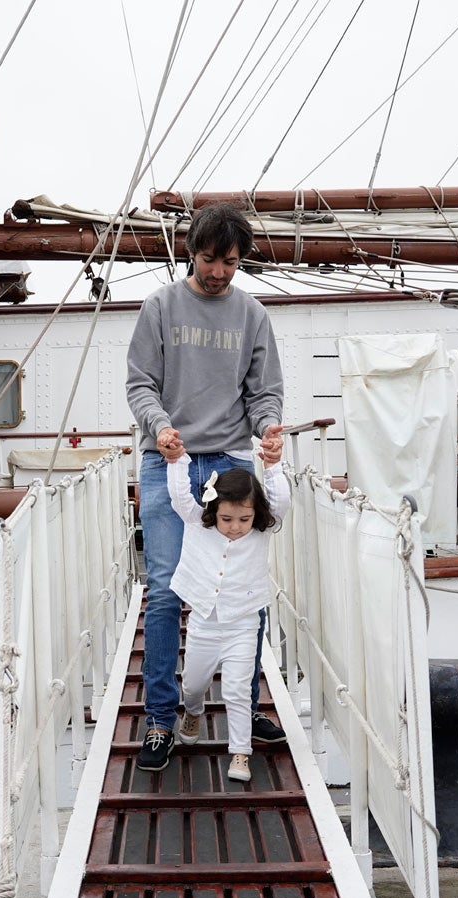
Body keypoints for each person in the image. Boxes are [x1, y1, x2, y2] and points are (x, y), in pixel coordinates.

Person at [126, 201, 287, 773]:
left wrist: (269, 428)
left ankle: (245, 700)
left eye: (231, 262)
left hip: (230, 460)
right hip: (166, 459)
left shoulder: (253, 316)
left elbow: (264, 392)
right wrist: (160, 427)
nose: (219, 271)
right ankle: (161, 720)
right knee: (169, 589)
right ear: (191, 250)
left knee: (247, 588)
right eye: (210, 259)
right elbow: (140, 384)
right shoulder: (160, 307)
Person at [164, 438, 289, 783]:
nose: (235, 526)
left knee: (236, 688)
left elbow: (282, 502)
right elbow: (178, 496)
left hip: (243, 624)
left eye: (244, 518)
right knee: (192, 684)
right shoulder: (196, 523)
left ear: (256, 515)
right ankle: (193, 711)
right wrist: (177, 461)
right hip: (205, 622)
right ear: (213, 510)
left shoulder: (262, 531)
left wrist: (274, 465)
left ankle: (240, 752)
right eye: (227, 518)